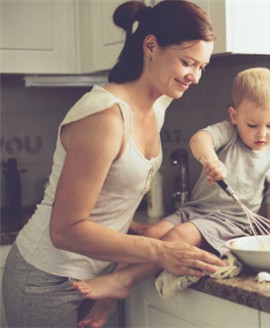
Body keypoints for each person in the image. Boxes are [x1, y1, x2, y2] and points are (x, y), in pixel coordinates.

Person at [1, 1, 226, 327]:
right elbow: (65, 230)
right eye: (187, 62)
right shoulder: (105, 117)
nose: (195, 76)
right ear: (151, 46)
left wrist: (135, 228)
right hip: (47, 281)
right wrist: (160, 251)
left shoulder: (159, 103)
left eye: (202, 66)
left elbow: (109, 191)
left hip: (100, 273)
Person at [71, 67, 270, 320]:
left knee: (178, 236)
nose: (262, 133)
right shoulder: (228, 134)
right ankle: (107, 303)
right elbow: (199, 140)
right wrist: (210, 160)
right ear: (234, 115)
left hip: (230, 223)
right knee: (152, 236)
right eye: (252, 125)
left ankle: (123, 279)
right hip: (195, 211)